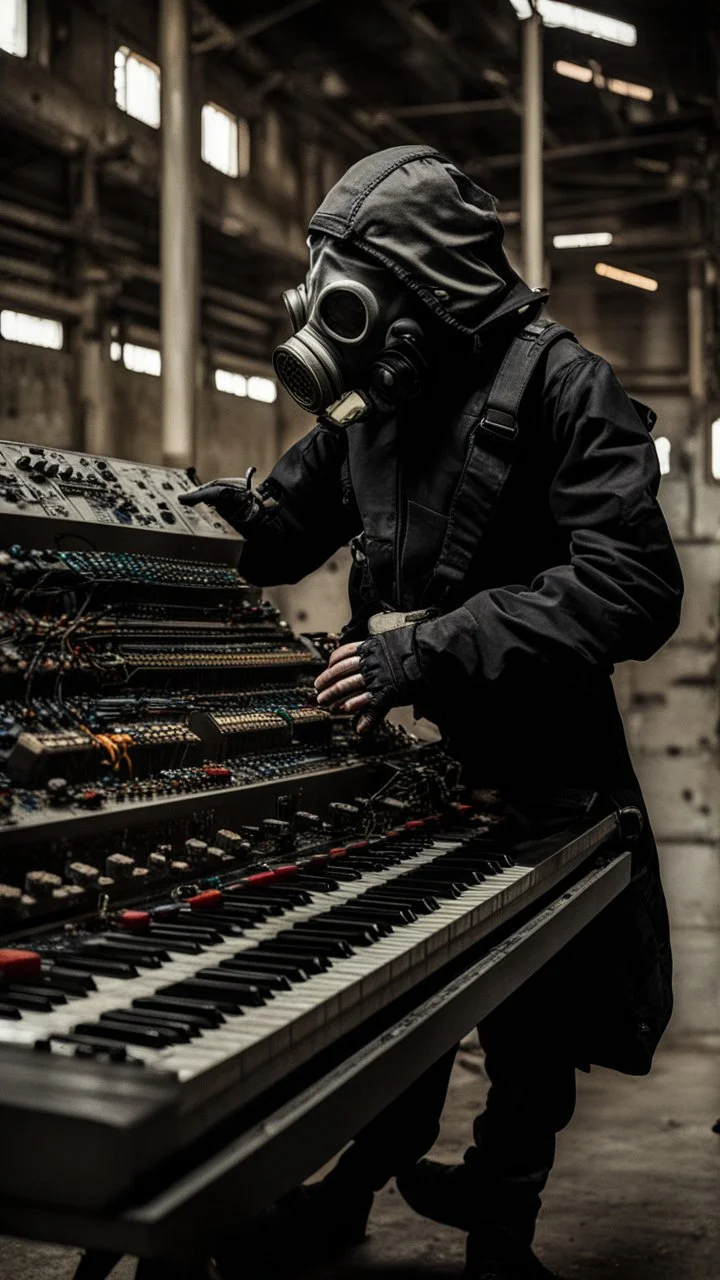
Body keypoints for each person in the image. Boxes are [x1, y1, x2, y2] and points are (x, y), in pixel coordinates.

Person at [180, 145, 684, 1280]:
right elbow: (290, 524)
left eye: (352, 291)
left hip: (544, 755)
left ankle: (502, 1223)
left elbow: (636, 585)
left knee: (536, 1017)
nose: (334, 325)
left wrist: (428, 651)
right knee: (392, 999)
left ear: (426, 277)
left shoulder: (565, 387)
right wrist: (216, 520)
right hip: (404, 758)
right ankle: (351, 1189)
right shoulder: (373, 401)